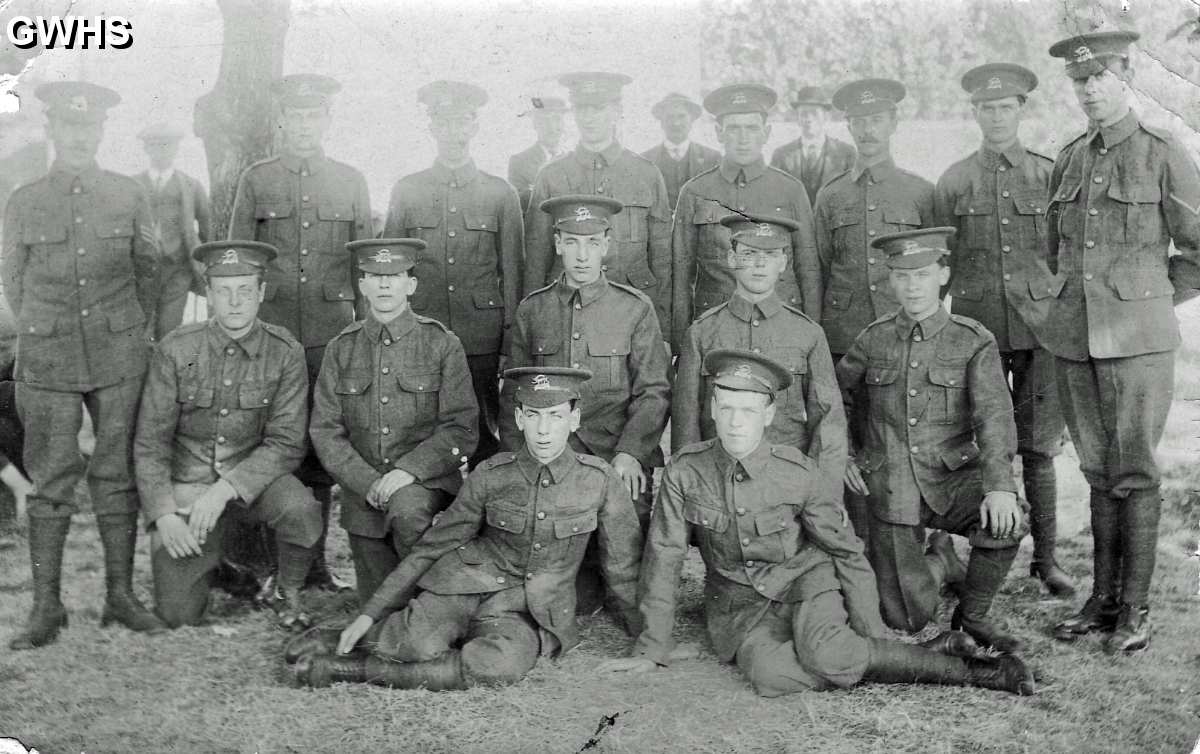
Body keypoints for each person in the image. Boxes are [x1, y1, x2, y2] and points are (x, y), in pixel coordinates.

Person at [599, 349, 1034, 697]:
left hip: (806, 583)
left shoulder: (797, 471)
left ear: (769, 414)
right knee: (771, 677)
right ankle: (890, 657)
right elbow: (664, 557)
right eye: (726, 407)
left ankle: (979, 672)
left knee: (827, 656)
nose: (735, 422)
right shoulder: (684, 471)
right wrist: (652, 648)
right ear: (711, 407)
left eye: (748, 410)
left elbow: (845, 549)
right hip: (740, 608)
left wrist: (876, 633)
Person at [288, 367, 644, 691]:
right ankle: (340, 637)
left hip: (524, 608)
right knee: (410, 644)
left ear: (575, 418)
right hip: (462, 584)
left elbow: (622, 565)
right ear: (519, 418)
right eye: (534, 416)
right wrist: (370, 612)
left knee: (498, 666)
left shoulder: (599, 480)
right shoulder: (491, 474)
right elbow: (433, 546)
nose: (544, 430)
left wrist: (646, 636)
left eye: (556, 416)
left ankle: (343, 668)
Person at [1044, 31, 1200, 653]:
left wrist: (1151, 302)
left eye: (1100, 77)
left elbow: (1198, 249)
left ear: (1127, 75)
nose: (1089, 89)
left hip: (1138, 344)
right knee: (1095, 468)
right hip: (1077, 340)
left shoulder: (1164, 151)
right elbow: (1056, 250)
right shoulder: (1070, 157)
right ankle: (1101, 600)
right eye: (1080, 80)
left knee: (1133, 471)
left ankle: (1135, 609)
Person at [2, 81, 165, 649]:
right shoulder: (24, 200)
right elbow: (13, 282)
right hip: (47, 355)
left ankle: (119, 596)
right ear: (51, 130)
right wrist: (44, 326)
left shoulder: (127, 194)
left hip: (118, 352)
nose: (78, 137)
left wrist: (132, 329)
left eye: (88, 128)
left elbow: (150, 267)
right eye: (68, 128)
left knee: (116, 475)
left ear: (100, 132)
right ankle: (47, 607)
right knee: (51, 481)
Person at [837, 228, 1026, 652]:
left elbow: (995, 416)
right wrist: (847, 454)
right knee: (905, 617)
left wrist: (999, 487)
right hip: (892, 484)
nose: (912, 286)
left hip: (951, 476)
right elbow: (837, 399)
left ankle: (972, 614)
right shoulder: (874, 338)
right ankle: (940, 563)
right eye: (902, 277)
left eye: (922, 274)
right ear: (890, 282)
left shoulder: (973, 339)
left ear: (943, 275)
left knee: (1007, 519)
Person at [933, 63, 1073, 598]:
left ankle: (1047, 558)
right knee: (971, 445)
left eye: (1005, 108)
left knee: (1038, 448)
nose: (996, 116)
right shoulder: (955, 179)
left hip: (1039, 333)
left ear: (1021, 110)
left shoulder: (1049, 174)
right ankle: (972, 553)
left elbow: (1064, 252)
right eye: (986, 108)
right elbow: (941, 263)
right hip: (977, 334)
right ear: (974, 113)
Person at [229, 73, 373, 592]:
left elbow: (366, 269)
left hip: (330, 338)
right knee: (266, 441)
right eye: (297, 116)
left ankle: (312, 566)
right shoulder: (257, 181)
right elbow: (238, 263)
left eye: (316, 116)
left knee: (320, 448)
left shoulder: (350, 181)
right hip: (270, 335)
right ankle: (267, 561)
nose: (305, 126)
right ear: (282, 121)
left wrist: (361, 334)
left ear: (327, 121)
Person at [134, 240, 322, 629]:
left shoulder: (284, 351)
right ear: (208, 295)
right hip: (187, 486)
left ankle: (285, 590)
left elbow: (287, 443)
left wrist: (224, 490)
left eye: (245, 291)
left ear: (261, 293)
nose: (235, 302)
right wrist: (163, 514)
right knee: (177, 616)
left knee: (302, 510)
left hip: (251, 484)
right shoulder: (178, 349)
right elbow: (150, 443)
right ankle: (218, 564)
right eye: (223, 291)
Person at [501, 195, 670, 613]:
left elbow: (654, 390)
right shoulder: (533, 310)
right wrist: (525, 458)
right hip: (554, 456)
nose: (582, 254)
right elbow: (512, 399)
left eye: (592, 243)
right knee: (560, 591)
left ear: (607, 244)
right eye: (572, 242)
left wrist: (632, 453)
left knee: (627, 550)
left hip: (614, 452)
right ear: (557, 243)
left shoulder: (634, 308)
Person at [309, 238, 478, 606]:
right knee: (379, 608)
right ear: (362, 285)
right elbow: (326, 431)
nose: (385, 285)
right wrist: (367, 482)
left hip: (423, 490)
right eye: (374, 275)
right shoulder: (341, 348)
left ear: (411, 285)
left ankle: (437, 606)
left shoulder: (441, 344)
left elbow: (461, 427)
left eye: (395, 275)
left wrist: (408, 472)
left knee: (409, 521)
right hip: (364, 497)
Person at [815, 78, 935, 544]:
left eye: (876, 119)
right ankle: (853, 544)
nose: (867, 129)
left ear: (893, 123)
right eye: (858, 121)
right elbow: (821, 267)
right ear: (848, 126)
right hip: (845, 335)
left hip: (902, 336)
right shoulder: (830, 195)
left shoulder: (918, 192)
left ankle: (908, 544)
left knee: (901, 438)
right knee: (848, 443)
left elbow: (936, 269)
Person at [383, 80, 523, 470]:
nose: (453, 132)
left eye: (462, 122)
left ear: (475, 126)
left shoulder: (500, 193)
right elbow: (390, 266)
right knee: (420, 430)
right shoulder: (408, 191)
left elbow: (513, 271)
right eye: (443, 122)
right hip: (421, 331)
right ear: (431, 127)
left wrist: (510, 338)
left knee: (482, 434)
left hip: (480, 335)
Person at [672, 213, 845, 493]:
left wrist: (823, 495)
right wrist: (690, 491)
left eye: (770, 254)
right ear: (731, 259)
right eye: (749, 253)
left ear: (783, 263)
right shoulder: (702, 333)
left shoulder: (808, 334)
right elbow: (686, 426)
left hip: (787, 485)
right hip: (719, 484)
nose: (759, 263)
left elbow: (828, 422)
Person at [524, 72, 673, 345]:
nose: (589, 117)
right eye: (582, 108)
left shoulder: (646, 174)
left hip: (633, 312)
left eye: (599, 108)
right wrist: (533, 327)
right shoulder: (552, 175)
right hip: (566, 311)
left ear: (617, 111)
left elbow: (662, 261)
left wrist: (663, 332)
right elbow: (536, 258)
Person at [670, 83, 821, 348]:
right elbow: (680, 276)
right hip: (715, 330)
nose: (743, 138)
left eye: (751, 128)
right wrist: (682, 343)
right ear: (719, 133)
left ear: (766, 133)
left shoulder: (790, 190)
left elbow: (808, 269)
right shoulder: (695, 192)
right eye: (733, 128)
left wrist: (811, 337)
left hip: (781, 328)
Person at [134, 122, 212, 339]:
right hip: (141, 273)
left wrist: (205, 263)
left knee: (169, 331)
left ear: (176, 148)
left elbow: (208, 229)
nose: (161, 151)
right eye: (155, 145)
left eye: (167, 145)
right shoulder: (133, 185)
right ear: (146, 148)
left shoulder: (190, 186)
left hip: (178, 271)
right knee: (140, 330)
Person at [770, 85, 856, 207]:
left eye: (814, 113)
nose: (809, 119)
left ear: (825, 117)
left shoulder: (846, 153)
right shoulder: (781, 155)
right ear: (797, 118)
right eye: (804, 114)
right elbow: (774, 199)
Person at [640, 92, 719, 211]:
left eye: (681, 116)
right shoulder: (645, 160)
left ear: (691, 120)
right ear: (661, 122)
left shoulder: (712, 158)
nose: (676, 123)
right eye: (670, 117)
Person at [508, 96, 568, 213]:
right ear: (535, 124)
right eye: (545, 121)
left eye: (557, 119)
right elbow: (519, 204)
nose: (552, 127)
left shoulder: (574, 160)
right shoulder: (519, 162)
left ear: (563, 124)